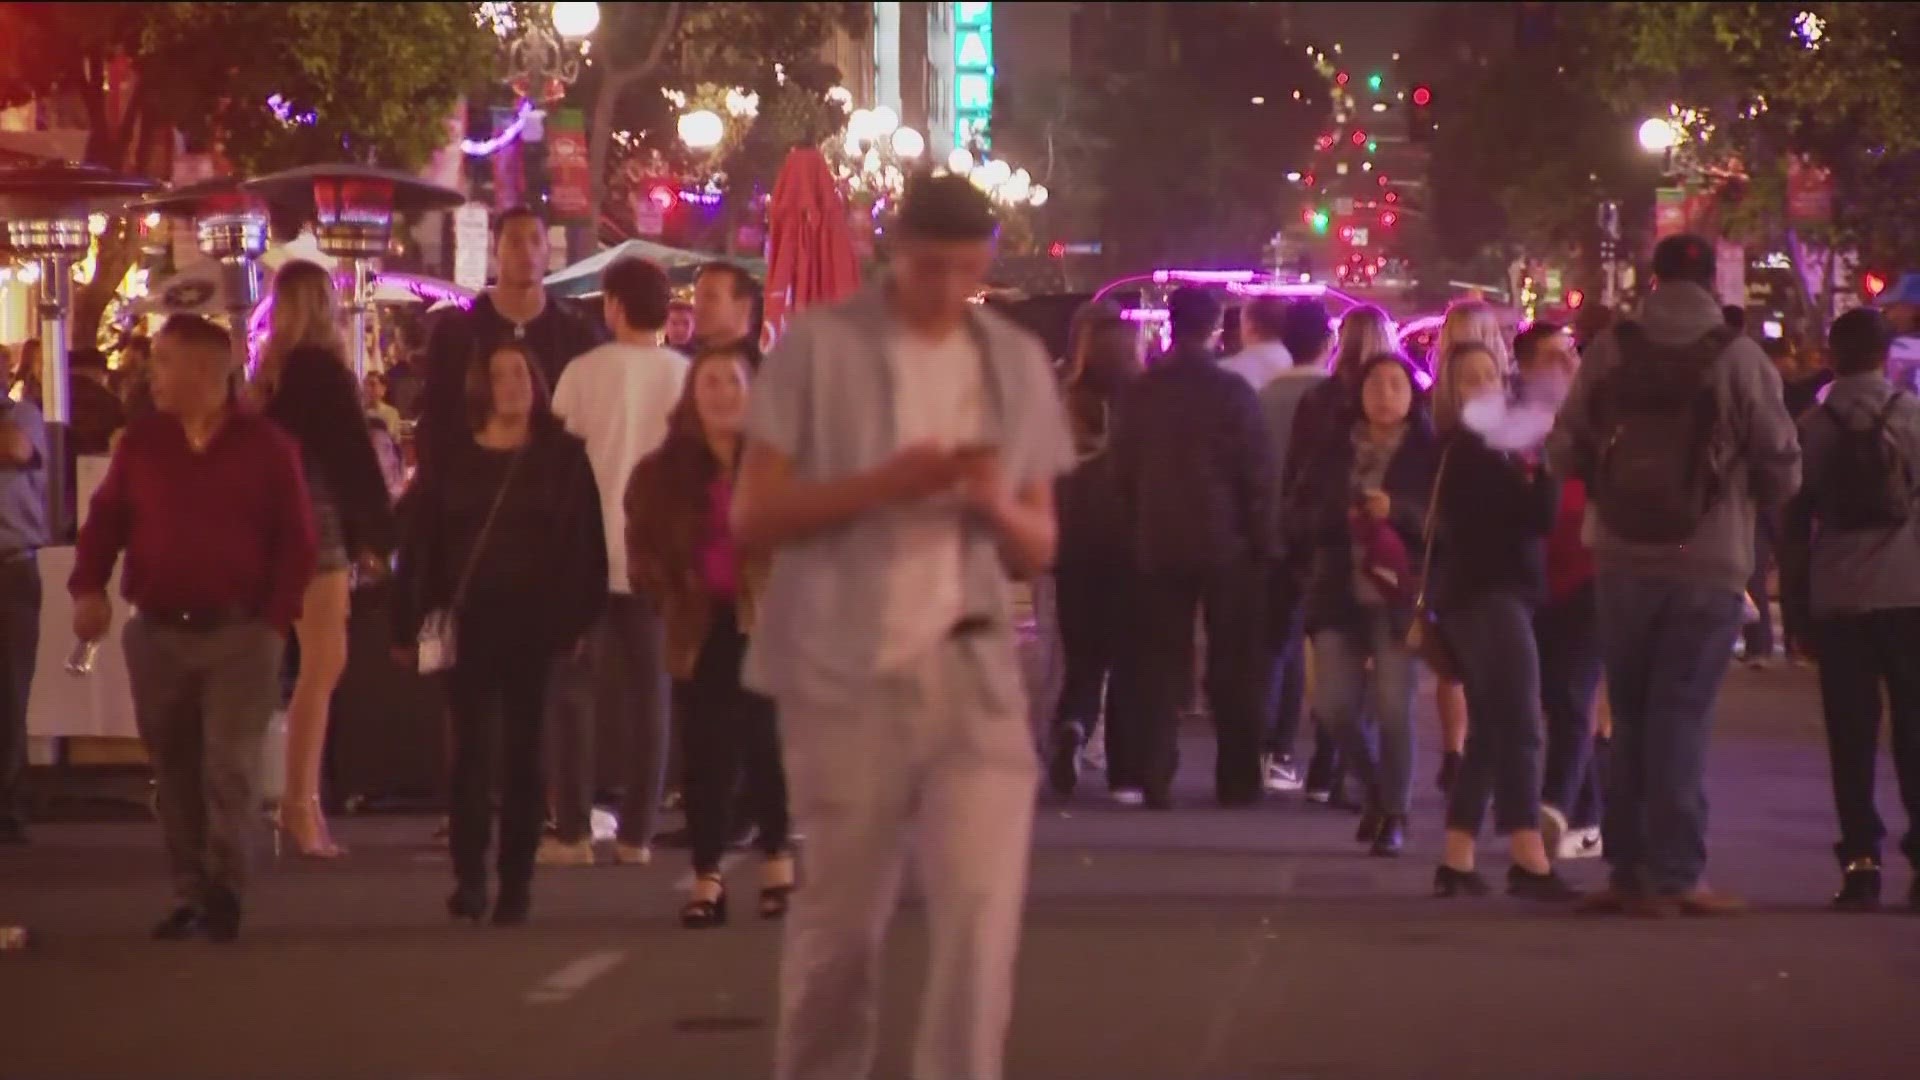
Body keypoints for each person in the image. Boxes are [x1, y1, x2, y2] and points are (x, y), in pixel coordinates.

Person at [733, 173, 1072, 1080]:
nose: (949, 290)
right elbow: (753, 516)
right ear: (894, 253)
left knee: (979, 923)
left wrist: (989, 500)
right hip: (843, 671)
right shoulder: (819, 349)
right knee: (842, 929)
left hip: (971, 670)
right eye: (931, 268)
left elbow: (1038, 543)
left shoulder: (1013, 362)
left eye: (968, 271)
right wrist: (884, 485)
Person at [1547, 234, 1801, 916]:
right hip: (1709, 561)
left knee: (1628, 714)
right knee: (1681, 715)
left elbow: (1562, 448)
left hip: (1621, 558)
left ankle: (1628, 871)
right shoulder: (1740, 358)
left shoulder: (1611, 350)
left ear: (1653, 279)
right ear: (1710, 283)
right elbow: (1782, 465)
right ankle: (1678, 872)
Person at [70, 315, 318, 941]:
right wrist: (88, 586)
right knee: (174, 768)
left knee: (228, 765)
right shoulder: (142, 444)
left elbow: (298, 539)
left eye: (166, 360)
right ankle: (189, 889)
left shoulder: (267, 447)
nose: (153, 374)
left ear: (208, 371)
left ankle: (226, 889)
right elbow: (106, 522)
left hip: (240, 633)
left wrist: (273, 620)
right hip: (157, 630)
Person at [391, 340, 606, 927]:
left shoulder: (561, 457)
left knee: (524, 755)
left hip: (535, 623)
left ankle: (516, 881)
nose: (513, 384)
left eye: (521, 373)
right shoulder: (453, 458)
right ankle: (469, 878)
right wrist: (407, 618)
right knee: (469, 755)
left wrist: (576, 620)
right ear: (481, 386)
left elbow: (584, 543)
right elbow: (422, 544)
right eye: (500, 374)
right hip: (468, 622)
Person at [628, 342, 791, 926]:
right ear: (693, 397)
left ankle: (777, 861)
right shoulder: (664, 473)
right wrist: (667, 585)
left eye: (733, 383)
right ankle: (707, 877)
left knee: (768, 744)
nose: (723, 394)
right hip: (700, 623)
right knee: (705, 754)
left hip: (768, 619)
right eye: (710, 383)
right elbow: (641, 544)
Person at [541, 257, 686, 868]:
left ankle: (572, 830)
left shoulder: (581, 373)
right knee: (650, 698)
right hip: (655, 557)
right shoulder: (684, 376)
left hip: (583, 556)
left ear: (615, 306)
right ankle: (638, 835)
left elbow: (552, 466)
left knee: (572, 693)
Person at [1109, 287, 1274, 808]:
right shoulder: (1232, 394)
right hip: (1226, 541)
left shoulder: (1141, 393)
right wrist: (1261, 540)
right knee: (1234, 662)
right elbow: (1256, 475)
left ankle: (1154, 772)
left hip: (1157, 538)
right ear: (1213, 330)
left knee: (1157, 661)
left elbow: (1123, 470)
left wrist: (1136, 524)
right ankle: (1238, 776)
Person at [1780, 308, 1920, 911]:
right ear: (1886, 355)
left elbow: (1791, 527)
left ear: (1831, 356)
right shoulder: (1914, 417)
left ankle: (1861, 862)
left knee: (1850, 734)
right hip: (1908, 590)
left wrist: (1798, 611)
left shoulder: (1811, 425)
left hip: (1837, 596)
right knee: (1915, 731)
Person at [256, 260, 397, 859]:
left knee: (292, 665)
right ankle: (298, 802)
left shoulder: (270, 377)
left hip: (273, 525)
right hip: (319, 523)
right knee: (322, 665)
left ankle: (298, 802)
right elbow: (349, 455)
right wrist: (380, 533)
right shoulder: (325, 373)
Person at [1429, 342, 1574, 900]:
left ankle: (1458, 855)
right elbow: (1531, 518)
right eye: (1471, 379)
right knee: (1519, 722)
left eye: (1492, 374)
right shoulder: (1473, 450)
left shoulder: (1502, 445)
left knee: (1491, 726)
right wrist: (1546, 457)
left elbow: (1534, 516)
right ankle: (1526, 853)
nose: (1486, 386)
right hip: (1487, 597)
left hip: (1494, 595)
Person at [1295, 352, 1437, 856]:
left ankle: (1394, 810)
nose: (1384, 394)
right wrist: (1342, 513)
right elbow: (1300, 511)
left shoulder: (1428, 451)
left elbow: (1442, 525)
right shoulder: (1332, 448)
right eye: (1375, 384)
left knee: (1394, 707)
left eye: (1396, 384)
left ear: (1412, 394)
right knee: (1333, 706)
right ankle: (1373, 784)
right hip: (1338, 593)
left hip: (1397, 596)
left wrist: (1394, 511)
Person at [1283, 304, 1395, 804]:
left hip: (1330, 553)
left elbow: (1296, 479)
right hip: (1376, 554)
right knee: (1365, 670)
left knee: (1336, 668)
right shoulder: (1402, 395)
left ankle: (1332, 765)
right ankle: (1359, 771)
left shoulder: (1320, 400)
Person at [416, 206, 601, 474]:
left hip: (555, 486)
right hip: (472, 486)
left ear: (548, 249)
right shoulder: (457, 331)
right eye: (514, 241)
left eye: (535, 240)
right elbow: (436, 415)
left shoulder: (577, 332)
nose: (527, 251)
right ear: (496, 249)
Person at [1515, 323, 1606, 861]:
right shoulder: (1514, 427)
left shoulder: (1598, 420)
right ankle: (1590, 816)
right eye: (1553, 356)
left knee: (1573, 694)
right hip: (1534, 579)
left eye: (1571, 353)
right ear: (1526, 367)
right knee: (1555, 697)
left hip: (1590, 573)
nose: (1569, 364)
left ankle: (1553, 806)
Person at [1047, 302, 1145, 800]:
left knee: (1082, 657)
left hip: (1072, 545)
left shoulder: (1062, 399)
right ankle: (1125, 774)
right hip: (1131, 545)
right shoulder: (1144, 402)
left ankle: (1071, 725)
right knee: (1127, 659)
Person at [1426, 301, 1512, 793]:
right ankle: (1470, 753)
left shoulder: (1436, 409)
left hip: (1457, 557)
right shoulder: (1499, 412)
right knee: (1476, 662)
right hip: (1474, 560)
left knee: (1456, 664)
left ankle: (1458, 751)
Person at [1257, 298, 1338, 794]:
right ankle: (1326, 761)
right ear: (1327, 345)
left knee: (1276, 647)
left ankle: (1275, 749)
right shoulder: (1338, 398)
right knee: (1329, 648)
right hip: (1323, 540)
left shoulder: (1260, 397)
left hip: (1270, 537)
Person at [0, 390, 47, 845]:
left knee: (9, 693)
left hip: (10, 569)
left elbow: (15, 449)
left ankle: (8, 806)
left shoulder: (24, 417)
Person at [692, 261, 761, 350]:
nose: (698, 307)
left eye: (710, 297)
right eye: (697, 298)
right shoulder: (696, 361)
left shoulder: (766, 363)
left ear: (743, 306)